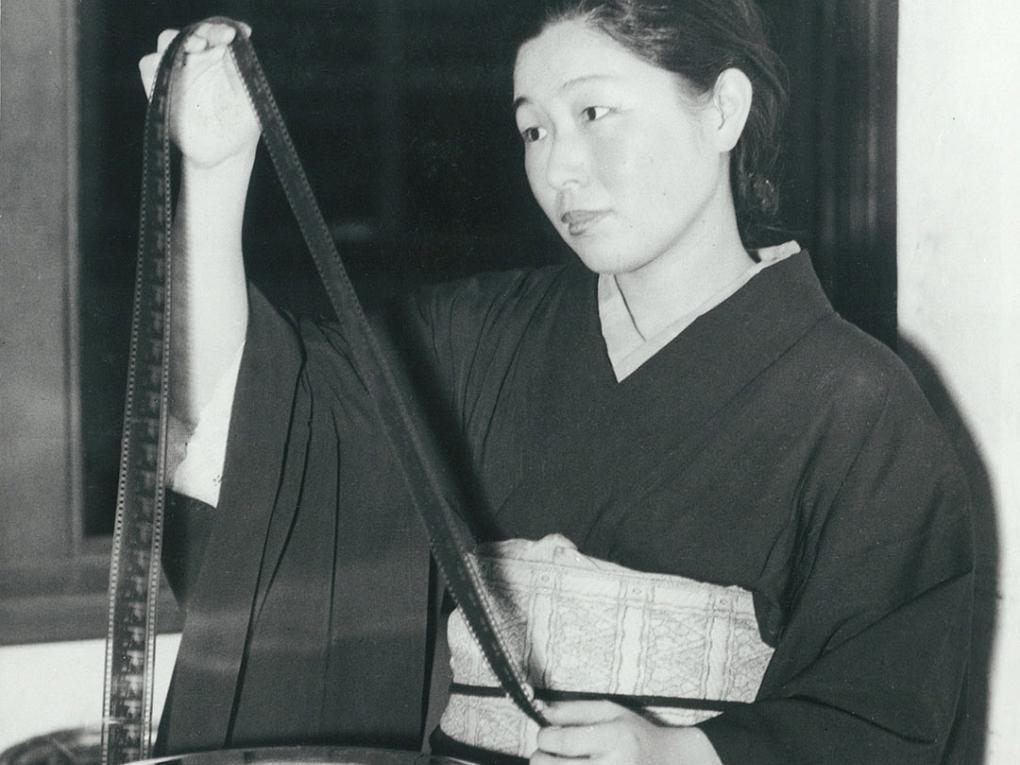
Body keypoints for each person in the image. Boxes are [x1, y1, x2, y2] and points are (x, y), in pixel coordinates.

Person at [139, 2, 974, 763]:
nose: (558, 168)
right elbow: (262, 431)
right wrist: (214, 173)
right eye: (533, 129)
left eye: (593, 113)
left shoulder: (858, 402)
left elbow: (885, 716)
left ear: (722, 109)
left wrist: (679, 754)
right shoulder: (477, 337)